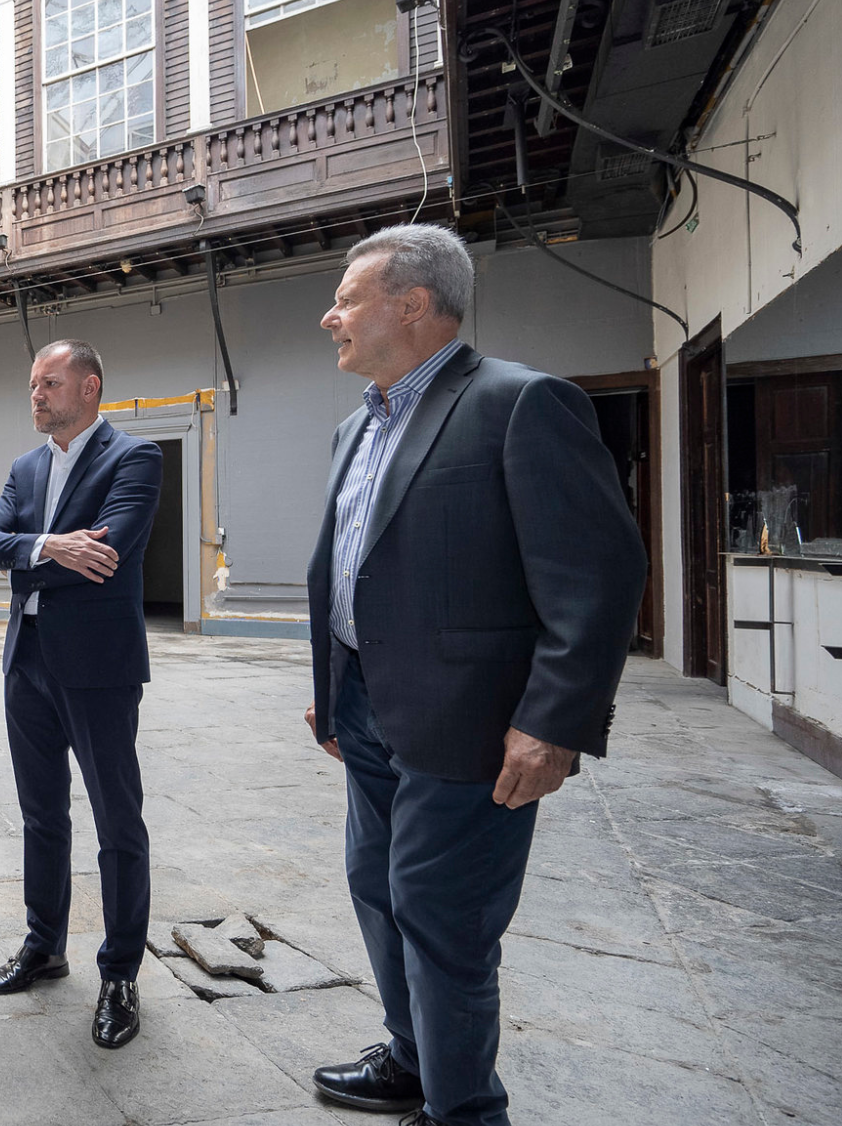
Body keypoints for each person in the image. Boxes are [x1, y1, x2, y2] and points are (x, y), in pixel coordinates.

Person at [301, 225, 646, 1126]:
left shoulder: (521, 403)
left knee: (444, 924)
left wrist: (556, 723)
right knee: (377, 891)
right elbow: (357, 566)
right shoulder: (354, 426)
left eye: (347, 298)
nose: (327, 315)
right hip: (369, 712)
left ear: (411, 305)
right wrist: (332, 677)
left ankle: (463, 1111)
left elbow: (597, 576)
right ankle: (412, 1060)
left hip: (473, 726)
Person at [0, 340, 162, 1050]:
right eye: (32, 385)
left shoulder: (135, 458)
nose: (37, 395)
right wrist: (49, 549)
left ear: (90, 386)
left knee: (118, 822)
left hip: (99, 669)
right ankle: (44, 947)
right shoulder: (26, 467)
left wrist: (26, 557)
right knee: (41, 815)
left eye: (49, 382)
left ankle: (120, 973)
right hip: (28, 664)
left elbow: (110, 553)